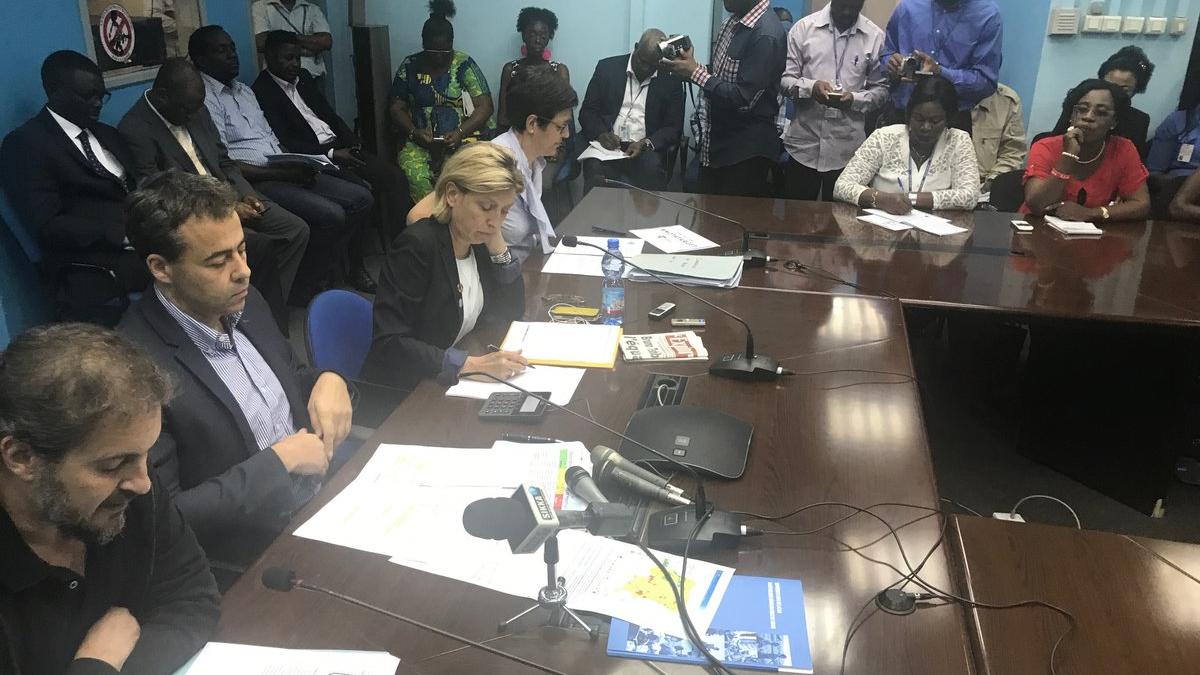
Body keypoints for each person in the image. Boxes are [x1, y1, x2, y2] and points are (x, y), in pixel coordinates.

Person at [117, 172, 354, 571]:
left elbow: (291, 376)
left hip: (323, 502)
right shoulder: (133, 368)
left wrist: (329, 379)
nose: (244, 271)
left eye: (242, 250)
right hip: (256, 553)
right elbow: (163, 519)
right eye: (218, 261)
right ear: (160, 268)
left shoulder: (245, 301)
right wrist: (278, 463)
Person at [0, 322, 219, 675]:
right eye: (112, 465)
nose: (144, 483)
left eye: (146, 454)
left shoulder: (128, 488)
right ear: (22, 458)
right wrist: (97, 665)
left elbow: (192, 599)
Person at [189, 25, 373, 305]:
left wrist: (299, 161)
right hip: (260, 179)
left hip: (285, 166)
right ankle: (306, 285)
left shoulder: (245, 92)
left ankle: (322, 272)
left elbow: (272, 139)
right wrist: (283, 171)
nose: (232, 56)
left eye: (233, 48)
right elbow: (226, 162)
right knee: (332, 215)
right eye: (221, 50)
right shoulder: (205, 100)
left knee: (361, 198)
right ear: (201, 60)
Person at [118, 57, 309, 304]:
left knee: (295, 230)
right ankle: (250, 306)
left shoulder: (194, 107)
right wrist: (227, 209)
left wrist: (247, 194)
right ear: (163, 96)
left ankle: (263, 303)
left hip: (231, 193)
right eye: (187, 109)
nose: (193, 115)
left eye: (197, 107)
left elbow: (224, 161)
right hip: (195, 214)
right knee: (258, 245)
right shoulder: (135, 128)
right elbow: (157, 192)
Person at [253, 30, 413, 291]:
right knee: (361, 193)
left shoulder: (304, 78)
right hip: (316, 157)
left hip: (340, 147)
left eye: (297, 57)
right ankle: (356, 268)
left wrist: (352, 141)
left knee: (394, 178)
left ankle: (401, 249)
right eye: (287, 58)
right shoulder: (261, 91)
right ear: (269, 57)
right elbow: (286, 141)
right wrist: (331, 155)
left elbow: (329, 115)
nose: (294, 64)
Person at [364, 143, 528, 392]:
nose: (495, 221)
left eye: (504, 211)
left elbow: (513, 310)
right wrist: (467, 364)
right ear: (452, 195)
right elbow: (389, 343)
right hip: (403, 393)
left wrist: (497, 243)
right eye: (486, 207)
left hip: (446, 383)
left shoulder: (477, 240)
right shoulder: (417, 246)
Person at [0, 51, 144, 292]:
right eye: (88, 96)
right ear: (55, 93)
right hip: (92, 260)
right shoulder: (26, 144)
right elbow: (47, 225)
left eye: (102, 96)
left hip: (142, 236)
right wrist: (120, 235)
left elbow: (134, 185)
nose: (97, 103)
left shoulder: (107, 134)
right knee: (187, 266)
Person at [658, 0, 788, 197]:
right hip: (716, 145)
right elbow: (720, 77)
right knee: (706, 213)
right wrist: (689, 66)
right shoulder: (731, 23)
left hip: (745, 153)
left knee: (731, 216)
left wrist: (695, 73)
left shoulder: (766, 35)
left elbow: (743, 99)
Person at [780, 0, 887, 201]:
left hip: (847, 152)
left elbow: (881, 91)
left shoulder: (875, 37)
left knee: (841, 218)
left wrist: (853, 100)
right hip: (804, 146)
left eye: (854, 5)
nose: (847, 10)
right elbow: (785, 81)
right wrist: (811, 88)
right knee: (796, 217)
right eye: (842, 4)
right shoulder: (803, 29)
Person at [390, 0, 495, 202]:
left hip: (462, 139)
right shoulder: (410, 66)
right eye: (433, 51)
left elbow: (485, 106)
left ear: (452, 43)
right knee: (415, 175)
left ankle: (454, 218)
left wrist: (460, 131)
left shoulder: (464, 64)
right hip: (420, 141)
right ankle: (429, 217)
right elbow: (396, 107)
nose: (439, 57)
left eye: (445, 51)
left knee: (457, 176)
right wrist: (414, 132)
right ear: (423, 44)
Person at [834, 75, 980, 213]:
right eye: (919, 119)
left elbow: (969, 196)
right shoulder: (884, 137)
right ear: (909, 115)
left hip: (937, 227)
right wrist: (881, 199)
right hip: (883, 225)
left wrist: (910, 199)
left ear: (948, 119)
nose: (926, 127)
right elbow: (842, 187)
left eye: (935, 121)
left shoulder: (958, 140)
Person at [1022, 79, 1149, 222]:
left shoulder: (1123, 149)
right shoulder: (1045, 146)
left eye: (1101, 113)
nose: (1088, 117)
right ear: (1071, 116)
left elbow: (1141, 204)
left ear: (1114, 122)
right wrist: (1068, 156)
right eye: (1082, 109)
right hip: (1036, 228)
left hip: (1092, 231)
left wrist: (1092, 213)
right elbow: (1037, 205)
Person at [579, 29, 685, 192]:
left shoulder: (670, 80)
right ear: (636, 47)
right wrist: (601, 134)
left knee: (652, 169)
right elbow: (588, 112)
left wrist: (646, 143)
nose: (645, 68)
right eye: (642, 61)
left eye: (652, 65)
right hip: (609, 146)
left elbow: (673, 127)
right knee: (594, 168)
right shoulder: (607, 69)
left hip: (643, 149)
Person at [491, 66, 578, 264]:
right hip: (502, 275)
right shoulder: (495, 163)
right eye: (561, 126)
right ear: (532, 124)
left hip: (529, 263)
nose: (566, 134)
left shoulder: (534, 162)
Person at [881, 0, 1002, 131]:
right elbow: (887, 53)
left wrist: (941, 73)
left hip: (952, 121)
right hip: (901, 115)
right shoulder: (908, 6)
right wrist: (892, 65)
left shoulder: (987, 15)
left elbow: (986, 82)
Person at [497, 7, 571, 129]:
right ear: (523, 36)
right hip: (517, 134)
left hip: (549, 133)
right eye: (532, 34)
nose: (537, 40)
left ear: (549, 37)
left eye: (543, 35)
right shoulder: (511, 70)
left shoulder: (559, 71)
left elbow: (564, 115)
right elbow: (502, 117)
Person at [251, 0, 332, 88]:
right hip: (277, 81)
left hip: (313, 77)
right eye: (289, 55)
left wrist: (286, 39)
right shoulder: (260, 7)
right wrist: (306, 49)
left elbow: (326, 42)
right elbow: (261, 43)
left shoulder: (312, 9)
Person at [1098, 46, 1154, 159]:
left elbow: (1135, 160)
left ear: (1136, 89)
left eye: (1123, 89)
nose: (1114, 93)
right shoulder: (1081, 109)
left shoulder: (1139, 120)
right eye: (1108, 85)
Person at [971, 82, 1026, 193]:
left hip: (984, 186)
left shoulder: (1006, 100)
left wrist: (994, 181)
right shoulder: (940, 90)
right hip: (940, 186)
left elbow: (1013, 152)